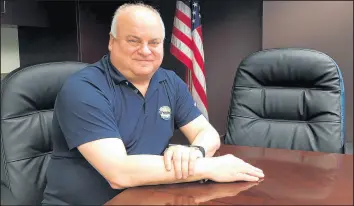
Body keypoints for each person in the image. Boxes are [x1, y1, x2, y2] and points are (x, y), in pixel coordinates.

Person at [42, 3, 264, 205]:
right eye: (134, 40)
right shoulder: (84, 88)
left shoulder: (169, 82)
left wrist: (195, 152)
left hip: (148, 197)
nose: (146, 51)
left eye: (154, 42)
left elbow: (208, 133)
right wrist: (208, 167)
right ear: (112, 41)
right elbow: (119, 173)